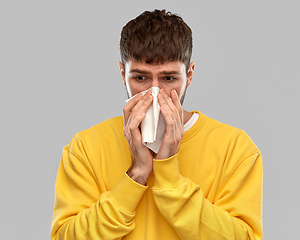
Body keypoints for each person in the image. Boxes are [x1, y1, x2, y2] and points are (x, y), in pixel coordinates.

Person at [51, 9, 263, 240]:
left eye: (168, 78)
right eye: (140, 78)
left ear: (189, 75)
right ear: (123, 74)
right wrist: (137, 174)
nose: (154, 93)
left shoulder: (235, 149)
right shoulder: (85, 147)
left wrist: (169, 174)